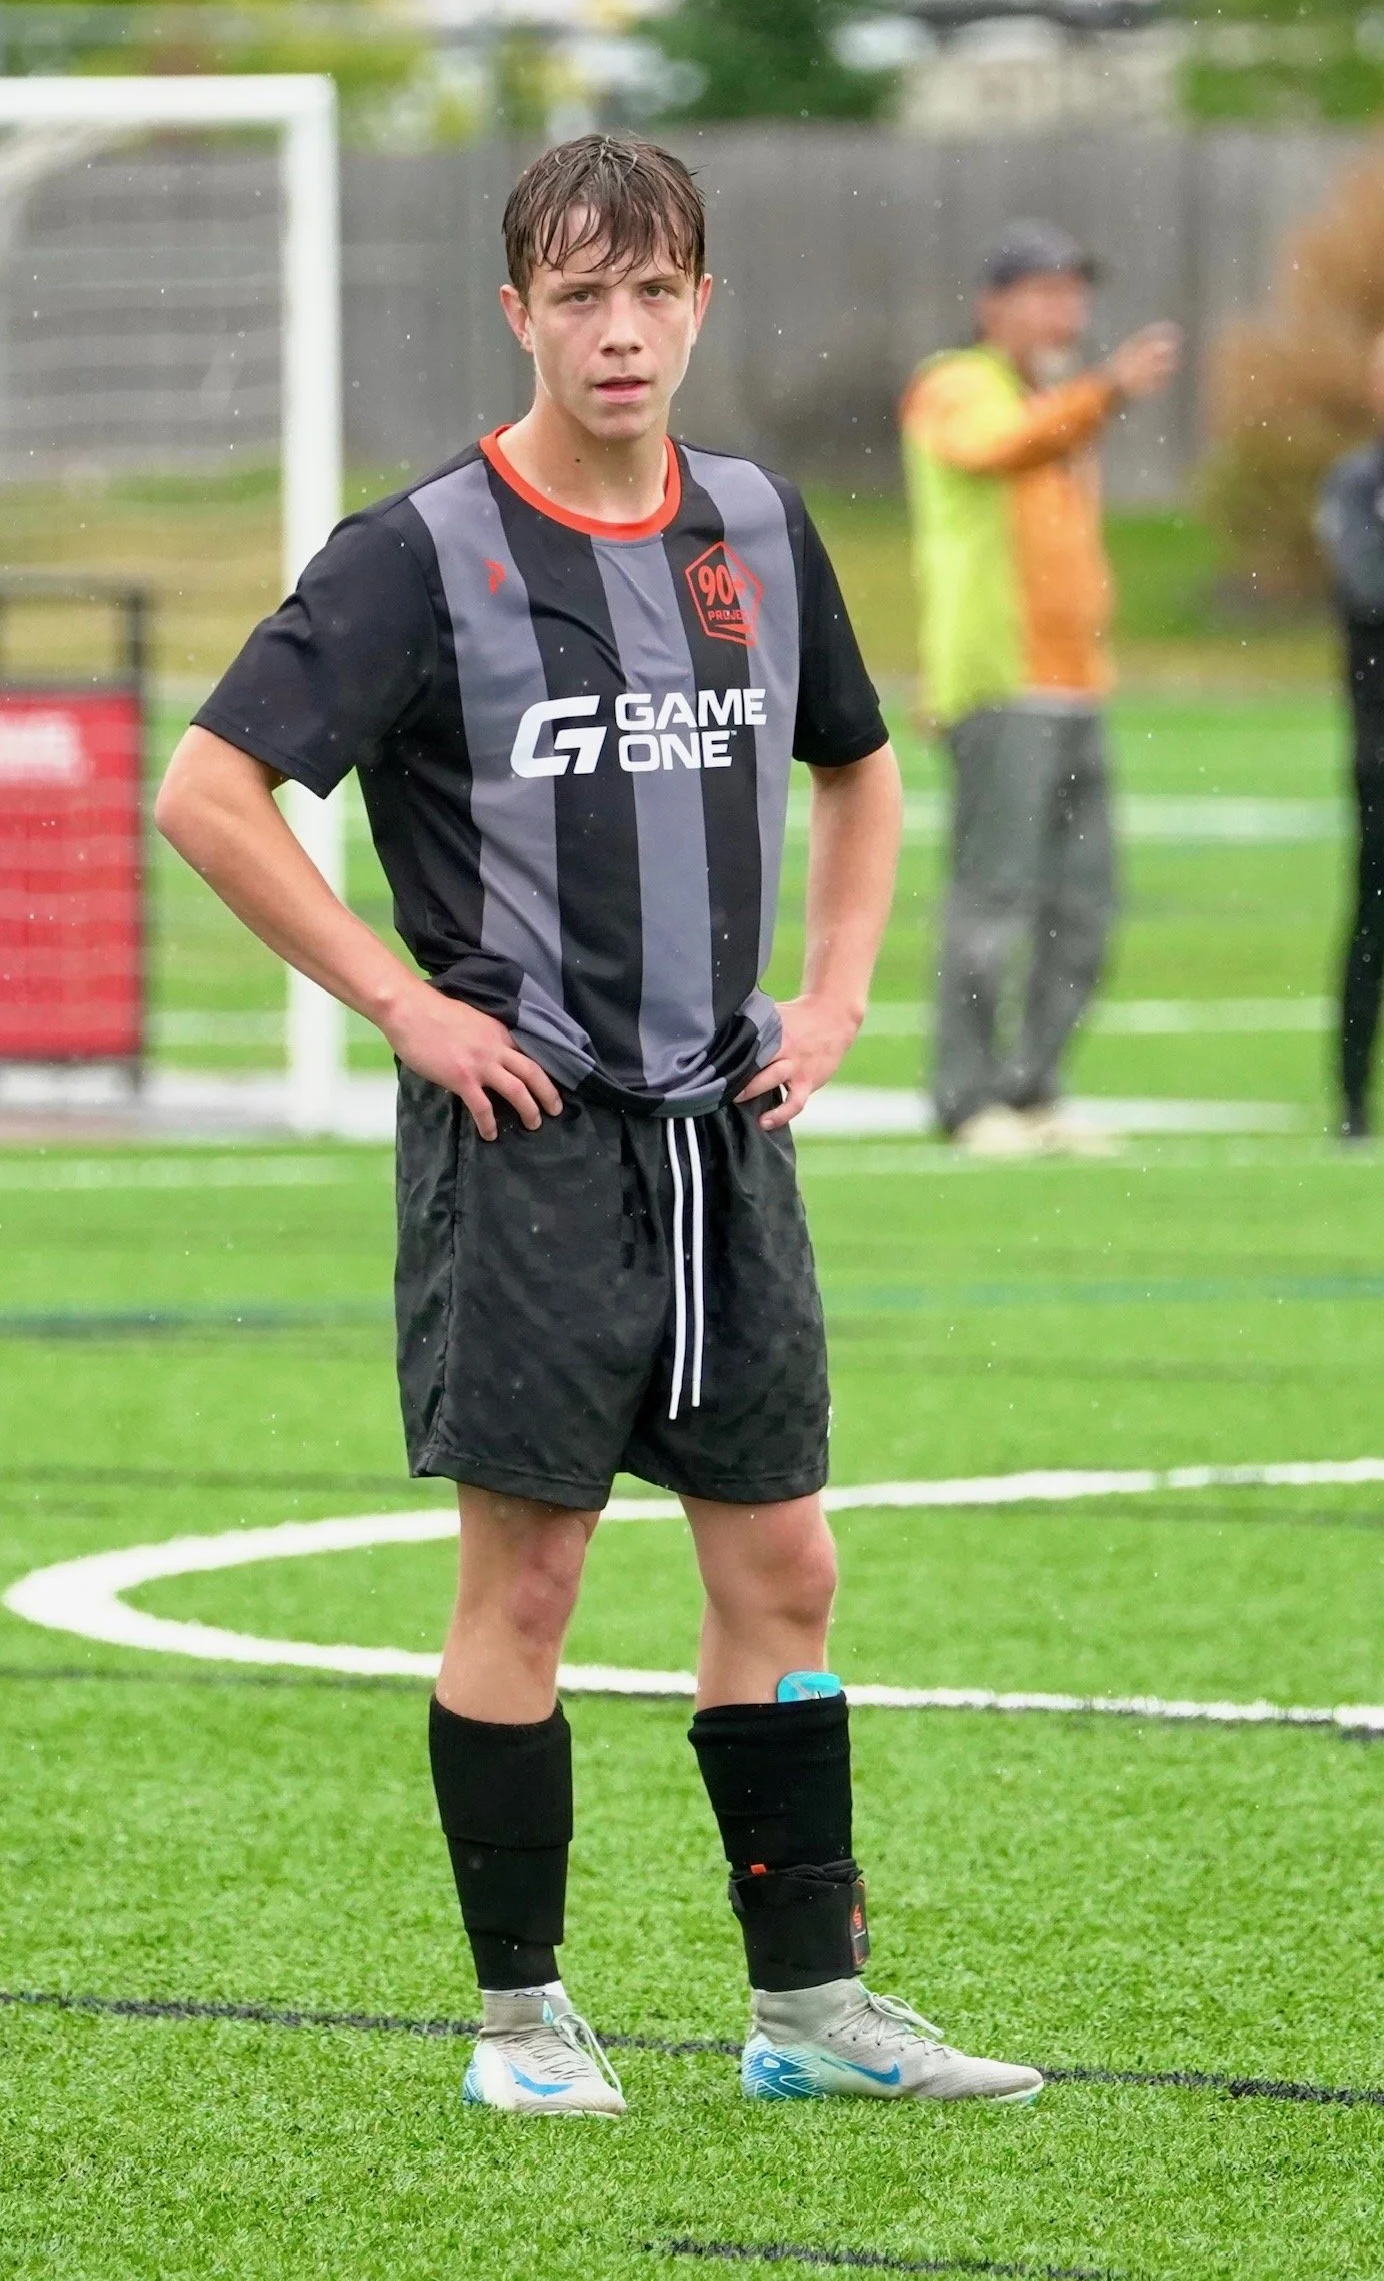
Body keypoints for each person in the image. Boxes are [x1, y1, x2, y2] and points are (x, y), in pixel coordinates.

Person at [156, 134, 1044, 2118]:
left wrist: (831, 999)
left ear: (701, 302)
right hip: (526, 1137)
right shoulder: (420, 553)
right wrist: (401, 1000)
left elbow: (864, 767)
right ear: (520, 315)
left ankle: (809, 2010)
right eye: (579, 295)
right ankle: (522, 2016)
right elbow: (209, 793)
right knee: (530, 1579)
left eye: (653, 292)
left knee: (788, 1569)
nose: (620, 330)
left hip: (724, 1138)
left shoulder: (754, 522)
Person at [901, 221, 1181, 1156]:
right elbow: (996, 450)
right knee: (994, 896)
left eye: (1074, 292)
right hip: (1001, 681)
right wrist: (1106, 391)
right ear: (996, 305)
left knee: (1085, 900)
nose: (1067, 310)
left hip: (1076, 684)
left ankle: (1033, 1086)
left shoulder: (1060, 402)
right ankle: (965, 1093)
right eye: (1047, 292)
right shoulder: (956, 385)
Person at [1315, 328, 1384, 1142]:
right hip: (1380, 747)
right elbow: (1367, 591)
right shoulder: (1356, 484)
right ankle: (1352, 1099)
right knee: (1373, 917)